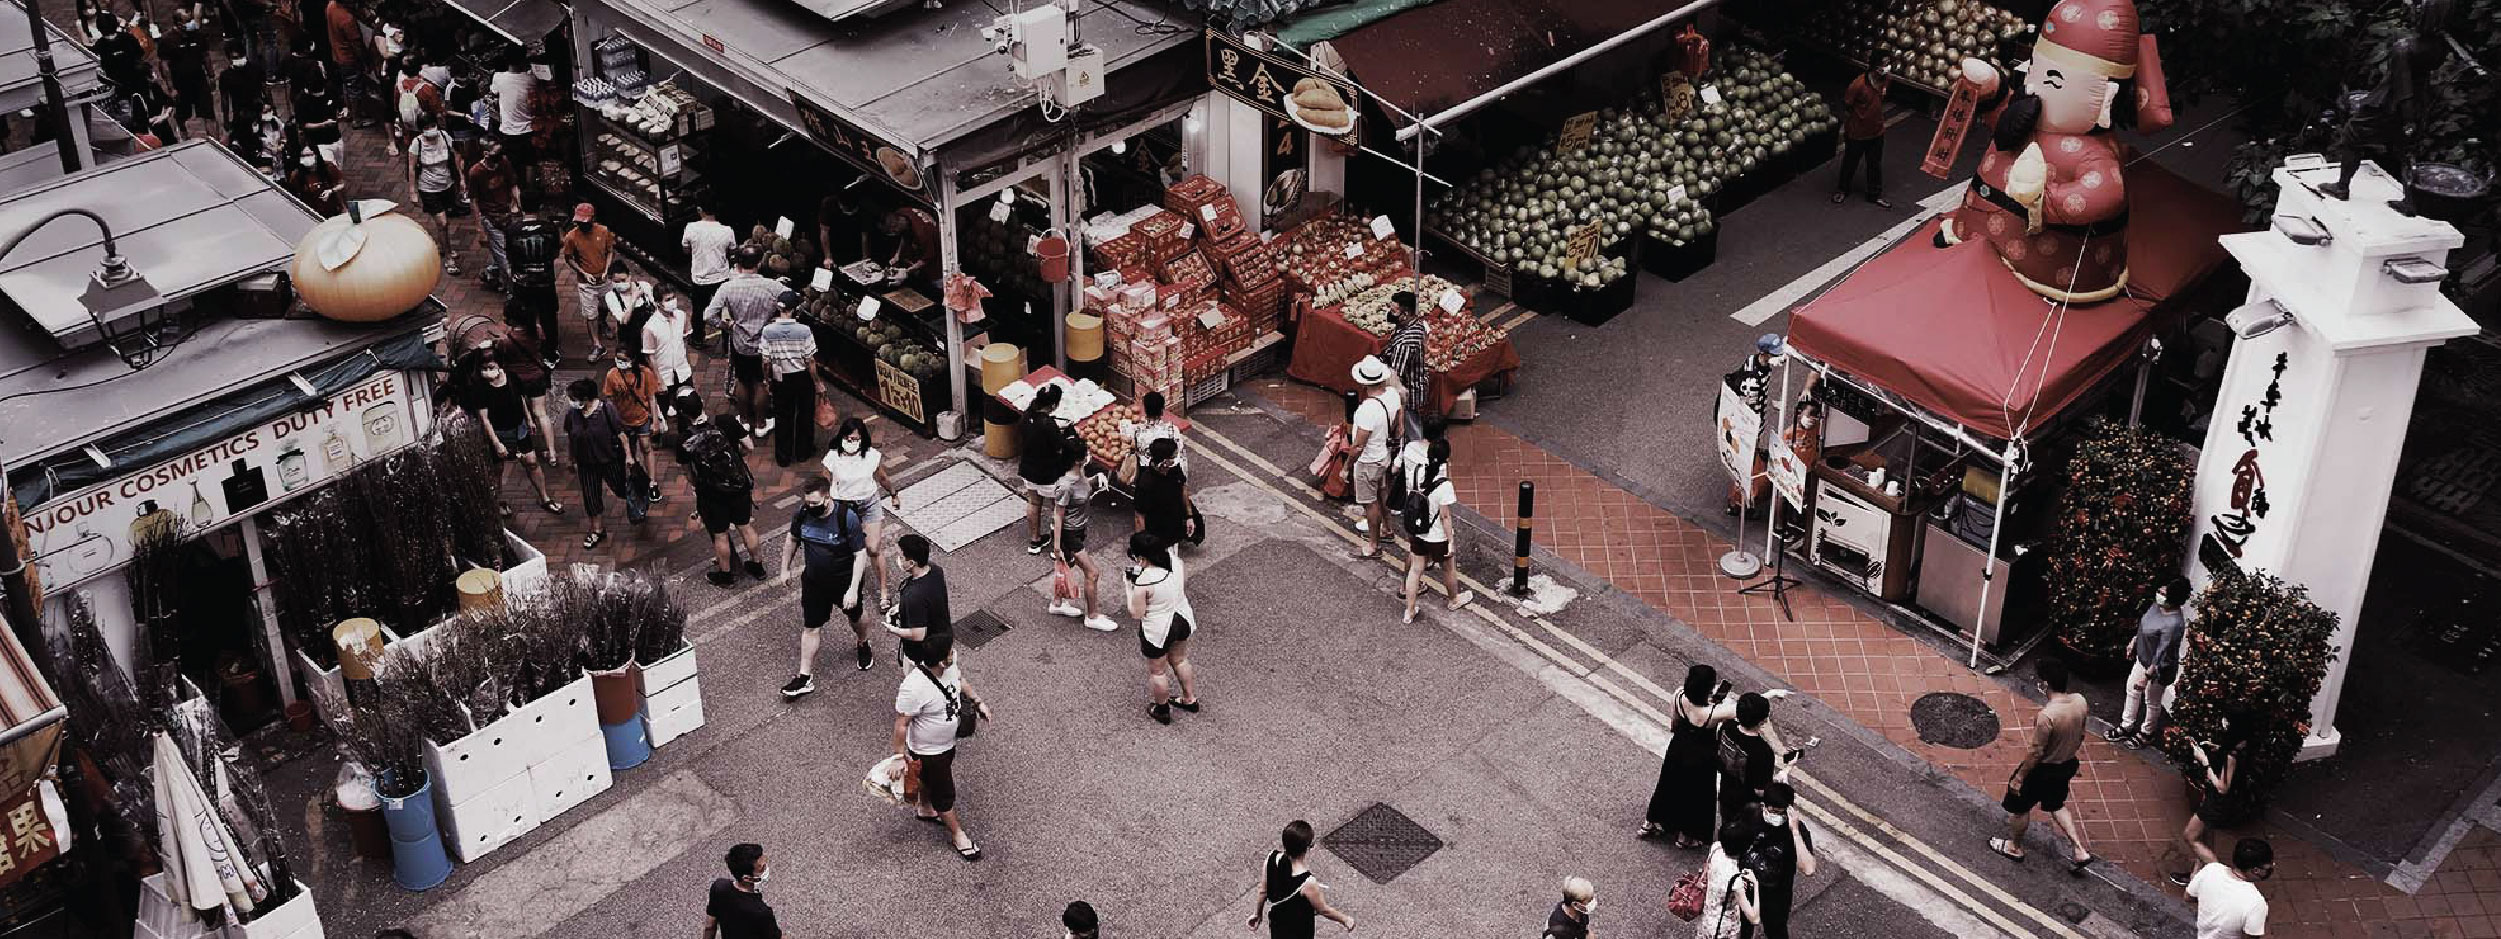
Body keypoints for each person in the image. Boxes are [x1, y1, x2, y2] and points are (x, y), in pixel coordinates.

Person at [1991, 658, 2095, 873]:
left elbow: (2036, 752)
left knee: (2019, 809)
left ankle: (2014, 847)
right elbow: (2082, 733)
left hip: (2042, 771)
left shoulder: (2047, 716)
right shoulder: (2080, 701)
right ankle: (2079, 850)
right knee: (2056, 804)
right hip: (2065, 765)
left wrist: (2019, 777)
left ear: (2045, 684)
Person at [893, 633, 991, 861]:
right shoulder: (914, 687)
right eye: (949, 652)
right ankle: (958, 835)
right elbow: (901, 724)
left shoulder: (949, 667)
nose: (953, 654)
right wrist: (899, 756)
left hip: (946, 745)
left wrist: (978, 702)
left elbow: (960, 680)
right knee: (944, 794)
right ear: (939, 661)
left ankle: (925, 808)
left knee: (929, 780)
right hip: (930, 752)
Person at [778, 479, 869, 698]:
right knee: (811, 626)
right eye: (807, 502)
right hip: (814, 582)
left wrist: (853, 589)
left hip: (844, 581)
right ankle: (804, 677)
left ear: (828, 497)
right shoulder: (802, 513)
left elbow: (860, 554)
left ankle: (863, 642)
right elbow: (792, 539)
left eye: (815, 502)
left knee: (855, 617)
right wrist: (784, 568)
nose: (811, 507)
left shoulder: (846, 518)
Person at [1643, 664, 1735, 847]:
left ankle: (1653, 822)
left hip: (1678, 747)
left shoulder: (1678, 695)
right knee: (1697, 796)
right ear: (1709, 688)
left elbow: (1674, 724)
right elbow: (1738, 709)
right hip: (1702, 757)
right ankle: (1686, 836)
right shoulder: (1711, 713)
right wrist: (1721, 700)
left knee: (1668, 785)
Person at [455, 356, 560, 516]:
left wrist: (529, 418)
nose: (488, 372)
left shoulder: (512, 378)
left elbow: (521, 399)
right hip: (498, 432)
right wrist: (497, 443)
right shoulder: (480, 388)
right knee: (497, 469)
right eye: (484, 369)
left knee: (531, 461)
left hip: (519, 428)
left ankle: (545, 498)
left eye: (491, 367)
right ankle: (497, 502)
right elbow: (484, 419)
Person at [2169, 715, 2256, 887]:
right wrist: (2215, 748)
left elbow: (2222, 787)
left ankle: (2218, 877)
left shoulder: (2232, 755)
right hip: (2225, 802)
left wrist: (2205, 762)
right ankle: (2196, 877)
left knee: (2190, 836)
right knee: (2205, 838)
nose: (2224, 724)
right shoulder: (2244, 747)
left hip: (2217, 802)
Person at [704, 246, 782, 435]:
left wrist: (727, 326)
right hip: (762, 345)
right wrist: (775, 321)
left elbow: (708, 315)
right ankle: (762, 425)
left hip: (740, 343)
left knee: (741, 380)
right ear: (759, 263)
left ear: (738, 266)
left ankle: (745, 420)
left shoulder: (728, 287)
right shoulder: (772, 286)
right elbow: (794, 299)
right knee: (761, 382)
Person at [1395, 433, 1472, 623]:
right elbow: (1445, 516)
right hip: (1437, 536)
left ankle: (1410, 611)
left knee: (1416, 569)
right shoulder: (1444, 485)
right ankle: (1453, 600)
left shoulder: (1419, 472)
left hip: (1418, 532)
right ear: (1447, 459)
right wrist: (1451, 541)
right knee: (1448, 568)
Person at [823, 417, 901, 603]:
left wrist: (893, 494)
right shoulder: (833, 456)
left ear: (862, 439)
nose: (851, 443)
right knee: (845, 549)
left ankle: (883, 592)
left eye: (855, 439)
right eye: (848, 439)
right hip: (843, 507)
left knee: (873, 548)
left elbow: (882, 478)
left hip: (868, 504)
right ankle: (850, 585)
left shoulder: (871, 455)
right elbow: (824, 480)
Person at [1126, 532, 1200, 725]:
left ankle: (1162, 709)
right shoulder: (1176, 562)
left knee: (1158, 672)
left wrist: (1129, 587)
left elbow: (1136, 613)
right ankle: (1189, 699)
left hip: (1159, 629)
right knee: (1180, 660)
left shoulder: (1145, 581)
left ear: (1142, 558)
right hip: (1182, 617)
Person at [563, 378, 648, 548]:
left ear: (586, 398)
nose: (571, 402)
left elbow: (621, 434)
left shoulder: (607, 410)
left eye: (573, 398)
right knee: (591, 496)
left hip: (610, 459)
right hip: (586, 463)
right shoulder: (572, 415)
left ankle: (642, 498)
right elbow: (572, 438)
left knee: (622, 489)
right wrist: (571, 459)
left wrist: (629, 456)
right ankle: (597, 530)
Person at [2116, 577, 2191, 748]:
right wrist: (2134, 641)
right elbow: (2145, 625)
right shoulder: (2157, 607)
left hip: (2158, 669)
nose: (2160, 592)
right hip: (2142, 659)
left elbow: (2162, 653)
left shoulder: (2174, 624)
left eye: (2165, 592)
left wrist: (2146, 677)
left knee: (2152, 700)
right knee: (2131, 691)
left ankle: (2146, 733)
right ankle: (2126, 725)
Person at [1249, 821, 1354, 937]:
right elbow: (1324, 910)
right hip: (1299, 930)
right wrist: (1345, 919)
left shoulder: (1271, 858)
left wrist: (1257, 914)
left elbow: (1262, 891)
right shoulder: (1307, 882)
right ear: (1308, 847)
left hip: (1277, 925)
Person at [1049, 463, 1118, 632]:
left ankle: (1057, 603)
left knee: (1068, 566)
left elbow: (1081, 486)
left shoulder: (1078, 474)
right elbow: (1058, 515)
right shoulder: (1065, 484)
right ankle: (1092, 616)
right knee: (1092, 572)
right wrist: (1057, 547)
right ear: (1078, 459)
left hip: (1078, 529)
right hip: (1069, 534)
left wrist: (1094, 480)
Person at [1347, 355, 1404, 559]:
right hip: (1384, 457)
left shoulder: (1366, 410)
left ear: (1363, 383)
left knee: (1370, 503)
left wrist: (1346, 467)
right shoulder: (1393, 395)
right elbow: (1400, 422)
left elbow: (1358, 445)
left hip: (1368, 462)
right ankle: (1388, 530)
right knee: (1383, 494)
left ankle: (1373, 545)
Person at [1748, 783, 1818, 939]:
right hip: (1747, 888)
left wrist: (1794, 832)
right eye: (1770, 809)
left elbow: (1808, 868)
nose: (1773, 815)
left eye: (1779, 812)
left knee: (1775, 931)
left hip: (1775, 896)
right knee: (1743, 928)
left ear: (1789, 810)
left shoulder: (1797, 830)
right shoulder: (1752, 815)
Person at [1017, 384, 1078, 554]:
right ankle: (1058, 547)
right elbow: (1059, 448)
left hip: (1028, 469)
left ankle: (1035, 541)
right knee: (1058, 508)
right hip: (1047, 474)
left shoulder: (1027, 415)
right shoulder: (1048, 425)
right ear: (1053, 406)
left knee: (1034, 502)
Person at [760, 292, 820, 465]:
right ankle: (803, 452)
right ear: (795, 309)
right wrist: (817, 382)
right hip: (802, 378)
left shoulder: (768, 331)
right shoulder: (804, 330)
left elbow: (765, 361)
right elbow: (810, 361)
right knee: (805, 415)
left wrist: (767, 380)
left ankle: (783, 456)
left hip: (780, 378)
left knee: (783, 416)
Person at [1719, 691, 1801, 818]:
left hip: (1726, 793)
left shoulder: (1727, 727)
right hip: (1747, 807)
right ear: (1763, 721)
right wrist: (1786, 771)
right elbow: (1761, 791)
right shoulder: (1763, 752)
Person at [504, 198, 565, 362]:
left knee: (524, 314)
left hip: (522, 282)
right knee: (549, 315)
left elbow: (509, 255)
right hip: (545, 281)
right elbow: (555, 253)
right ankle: (550, 351)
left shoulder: (512, 229)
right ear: (540, 207)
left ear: (521, 207)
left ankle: (528, 347)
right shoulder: (550, 228)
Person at [404, 112, 465, 274]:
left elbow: (456, 156)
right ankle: (449, 259)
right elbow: (411, 167)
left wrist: (461, 178)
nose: (430, 130)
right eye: (426, 127)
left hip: (447, 185)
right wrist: (412, 190)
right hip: (428, 188)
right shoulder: (417, 144)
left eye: (432, 126)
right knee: (442, 222)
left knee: (444, 222)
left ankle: (445, 246)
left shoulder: (445, 137)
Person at [562, 203, 620, 357]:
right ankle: (596, 344)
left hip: (604, 279)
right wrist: (582, 272)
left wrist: (606, 270)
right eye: (579, 222)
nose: (582, 225)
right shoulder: (571, 237)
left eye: (585, 222)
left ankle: (603, 323)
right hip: (586, 283)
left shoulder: (604, 231)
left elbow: (610, 251)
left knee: (605, 306)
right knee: (590, 314)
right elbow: (569, 258)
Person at [883, 533, 948, 670]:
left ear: (912, 563)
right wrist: (901, 607)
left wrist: (893, 630)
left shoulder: (913, 596)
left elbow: (918, 635)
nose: (898, 559)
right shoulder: (936, 570)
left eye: (901, 557)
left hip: (921, 655)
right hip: (942, 639)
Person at [2185, 837, 2271, 939]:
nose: (2271, 867)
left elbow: (2188, 897)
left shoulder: (2211, 869)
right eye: (2269, 865)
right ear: (2256, 870)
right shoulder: (2257, 903)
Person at [1833, 64, 1893, 208]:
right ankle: (1842, 190)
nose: (1886, 67)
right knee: (1850, 162)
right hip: (1857, 133)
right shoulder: (1858, 85)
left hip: (1877, 131)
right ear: (1874, 66)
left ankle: (1874, 194)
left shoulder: (1886, 80)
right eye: (1883, 64)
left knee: (1875, 164)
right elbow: (1847, 105)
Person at [468, 140, 521, 291]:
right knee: (505, 259)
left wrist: (518, 204)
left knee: (513, 249)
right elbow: (474, 201)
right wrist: (480, 228)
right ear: (486, 154)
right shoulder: (476, 172)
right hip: (490, 218)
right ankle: (511, 290)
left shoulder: (504, 163)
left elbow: (513, 185)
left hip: (508, 214)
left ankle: (491, 272)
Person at [1697, 820, 1762, 939]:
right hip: (1724, 928)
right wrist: (1756, 884)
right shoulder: (1735, 879)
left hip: (1708, 916)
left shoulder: (1716, 848)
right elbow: (1754, 918)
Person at [602, 348, 663, 469]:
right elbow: (610, 399)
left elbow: (651, 398)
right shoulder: (612, 375)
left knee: (646, 446)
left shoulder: (645, 373)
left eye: (623, 359)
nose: (620, 362)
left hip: (642, 417)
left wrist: (655, 421)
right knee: (629, 449)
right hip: (623, 420)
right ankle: (635, 474)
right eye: (618, 359)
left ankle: (652, 481)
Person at [1382, 290, 1432, 437]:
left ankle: (1416, 452)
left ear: (1406, 313)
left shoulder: (1406, 343)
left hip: (1410, 391)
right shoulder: (1416, 324)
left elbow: (1395, 373)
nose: (1391, 314)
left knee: (1412, 426)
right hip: (1416, 383)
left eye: (1394, 311)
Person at [703, 843, 779, 939]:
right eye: (761, 867)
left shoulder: (719, 887)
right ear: (747, 878)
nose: (766, 868)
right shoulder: (762, 912)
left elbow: (710, 926)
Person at [683, 203, 735, 345]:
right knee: (724, 311)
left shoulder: (691, 228)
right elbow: (732, 251)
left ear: (700, 210)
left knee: (699, 310)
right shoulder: (727, 231)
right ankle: (726, 343)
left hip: (700, 278)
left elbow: (686, 249)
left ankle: (697, 339)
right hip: (722, 277)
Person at [1132, 438, 1193, 549]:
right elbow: (1139, 516)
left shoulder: (1174, 469)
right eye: (1173, 456)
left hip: (1174, 527)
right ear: (1164, 461)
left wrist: (1189, 516)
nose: (1176, 458)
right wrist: (1142, 546)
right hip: (1156, 534)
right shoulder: (1146, 483)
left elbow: (1183, 488)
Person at [159, 20, 214, 138]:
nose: (191, 22)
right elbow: (165, 66)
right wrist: (171, 87)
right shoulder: (167, 40)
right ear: (179, 23)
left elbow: (206, 56)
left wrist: (211, 76)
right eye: (187, 21)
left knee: (209, 114)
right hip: (181, 84)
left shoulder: (198, 35)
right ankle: (184, 137)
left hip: (200, 80)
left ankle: (217, 144)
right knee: (181, 115)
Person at [488, 48, 537, 178]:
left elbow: (493, 92)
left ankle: (515, 192)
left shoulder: (498, 77)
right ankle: (530, 193)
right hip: (528, 129)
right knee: (530, 162)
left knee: (512, 164)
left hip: (509, 131)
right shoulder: (531, 79)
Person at [878, 205, 941, 289]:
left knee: (936, 291)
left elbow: (927, 258)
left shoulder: (922, 233)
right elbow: (904, 234)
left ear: (894, 229)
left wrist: (906, 272)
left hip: (938, 266)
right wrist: (897, 255)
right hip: (922, 252)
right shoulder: (902, 213)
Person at [643, 293, 696, 390]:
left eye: (673, 298)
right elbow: (650, 357)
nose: (672, 301)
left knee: (690, 402)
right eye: (668, 299)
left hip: (683, 372)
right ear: (658, 303)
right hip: (664, 376)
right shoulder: (650, 327)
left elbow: (684, 343)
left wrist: (687, 365)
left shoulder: (682, 316)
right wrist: (659, 380)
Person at [1127, 390, 1187, 473]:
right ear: (1162, 410)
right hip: (1169, 474)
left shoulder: (1137, 432)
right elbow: (1181, 458)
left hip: (1146, 475)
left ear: (1145, 410)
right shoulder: (1172, 430)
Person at [322, 0, 363, 119]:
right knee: (355, 89)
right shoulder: (347, 19)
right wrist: (365, 61)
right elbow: (357, 44)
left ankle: (349, 111)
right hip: (349, 58)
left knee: (347, 86)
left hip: (337, 54)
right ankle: (357, 118)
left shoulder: (331, 6)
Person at [284, 144, 346, 218]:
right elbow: (292, 195)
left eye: (310, 155)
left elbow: (341, 184)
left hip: (333, 210)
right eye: (304, 155)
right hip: (312, 214)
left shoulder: (328, 167)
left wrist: (331, 191)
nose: (307, 158)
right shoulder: (297, 175)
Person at [294, 82, 345, 165]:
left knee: (338, 170)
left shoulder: (330, 90)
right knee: (330, 168)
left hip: (336, 138)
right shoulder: (302, 101)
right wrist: (323, 124)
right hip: (319, 143)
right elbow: (303, 124)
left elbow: (341, 105)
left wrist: (343, 112)